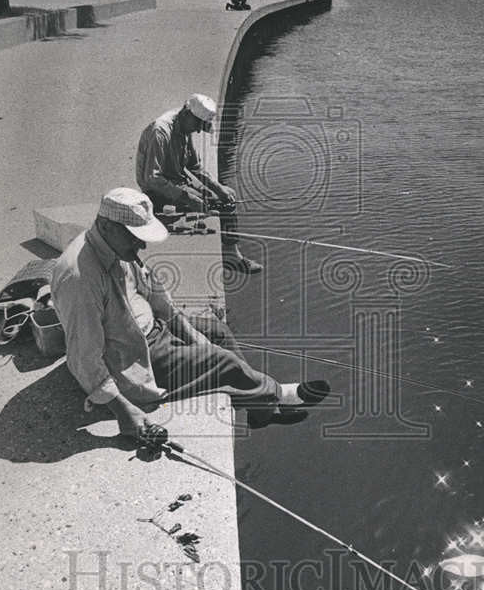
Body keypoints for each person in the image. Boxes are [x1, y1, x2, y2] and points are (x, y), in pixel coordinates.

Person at [51, 188, 329, 440]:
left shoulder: (117, 247)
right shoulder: (79, 278)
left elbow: (156, 295)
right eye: (136, 238)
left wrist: (191, 333)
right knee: (221, 361)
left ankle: (261, 409)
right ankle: (276, 395)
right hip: (129, 352)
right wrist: (123, 411)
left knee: (217, 331)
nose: (142, 246)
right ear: (107, 226)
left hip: (150, 328)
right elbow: (83, 357)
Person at [135, 93, 262, 273]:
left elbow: (194, 166)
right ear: (187, 114)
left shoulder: (184, 127)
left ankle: (231, 255)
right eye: (197, 125)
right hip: (157, 191)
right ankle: (231, 257)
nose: (197, 131)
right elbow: (152, 179)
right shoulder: (161, 131)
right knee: (209, 204)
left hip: (177, 181)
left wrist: (219, 188)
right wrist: (188, 198)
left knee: (226, 200)